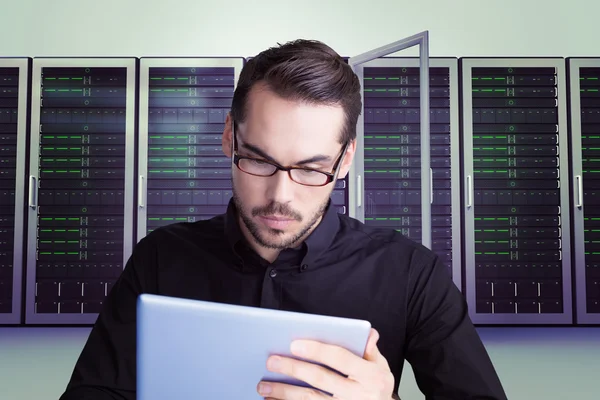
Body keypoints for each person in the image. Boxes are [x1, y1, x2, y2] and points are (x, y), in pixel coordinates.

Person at [59, 39, 507, 400]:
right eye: (257, 160)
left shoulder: (411, 273)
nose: (280, 196)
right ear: (230, 137)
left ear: (346, 157)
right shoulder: (161, 257)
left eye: (311, 169)